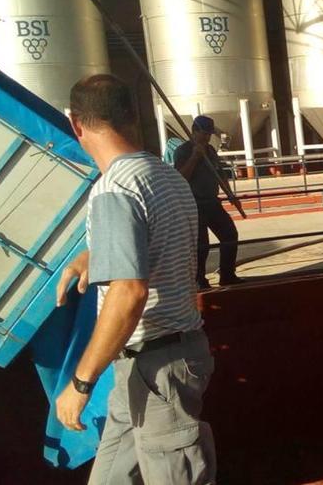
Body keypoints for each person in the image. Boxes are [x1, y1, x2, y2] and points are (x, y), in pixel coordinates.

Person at [55, 74, 216, 484]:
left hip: (157, 367)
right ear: (132, 117)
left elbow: (129, 292)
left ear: (76, 124)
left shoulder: (115, 189)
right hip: (156, 363)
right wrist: (95, 255)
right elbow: (157, 239)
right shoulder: (164, 176)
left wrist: (81, 381)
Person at [173, 116, 243, 289]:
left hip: (212, 202)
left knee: (229, 234)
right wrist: (195, 158)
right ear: (194, 131)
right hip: (194, 204)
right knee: (201, 245)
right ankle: (199, 280)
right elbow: (180, 178)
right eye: (203, 133)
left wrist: (230, 195)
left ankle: (227, 274)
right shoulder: (183, 151)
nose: (206, 138)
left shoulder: (211, 150)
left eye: (209, 134)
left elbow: (220, 174)